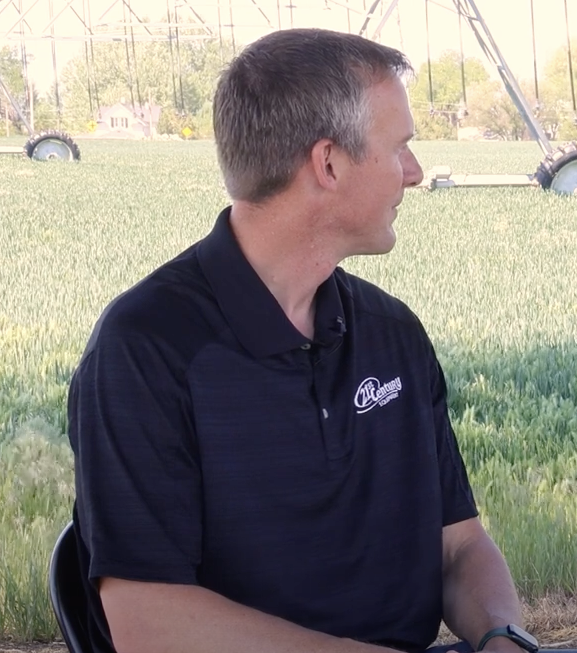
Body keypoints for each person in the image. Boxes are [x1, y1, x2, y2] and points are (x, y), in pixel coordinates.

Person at [65, 28, 539, 653]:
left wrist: (506, 637)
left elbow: (460, 546)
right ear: (329, 164)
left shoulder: (392, 334)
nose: (416, 174)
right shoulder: (145, 352)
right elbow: (149, 621)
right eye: (399, 148)